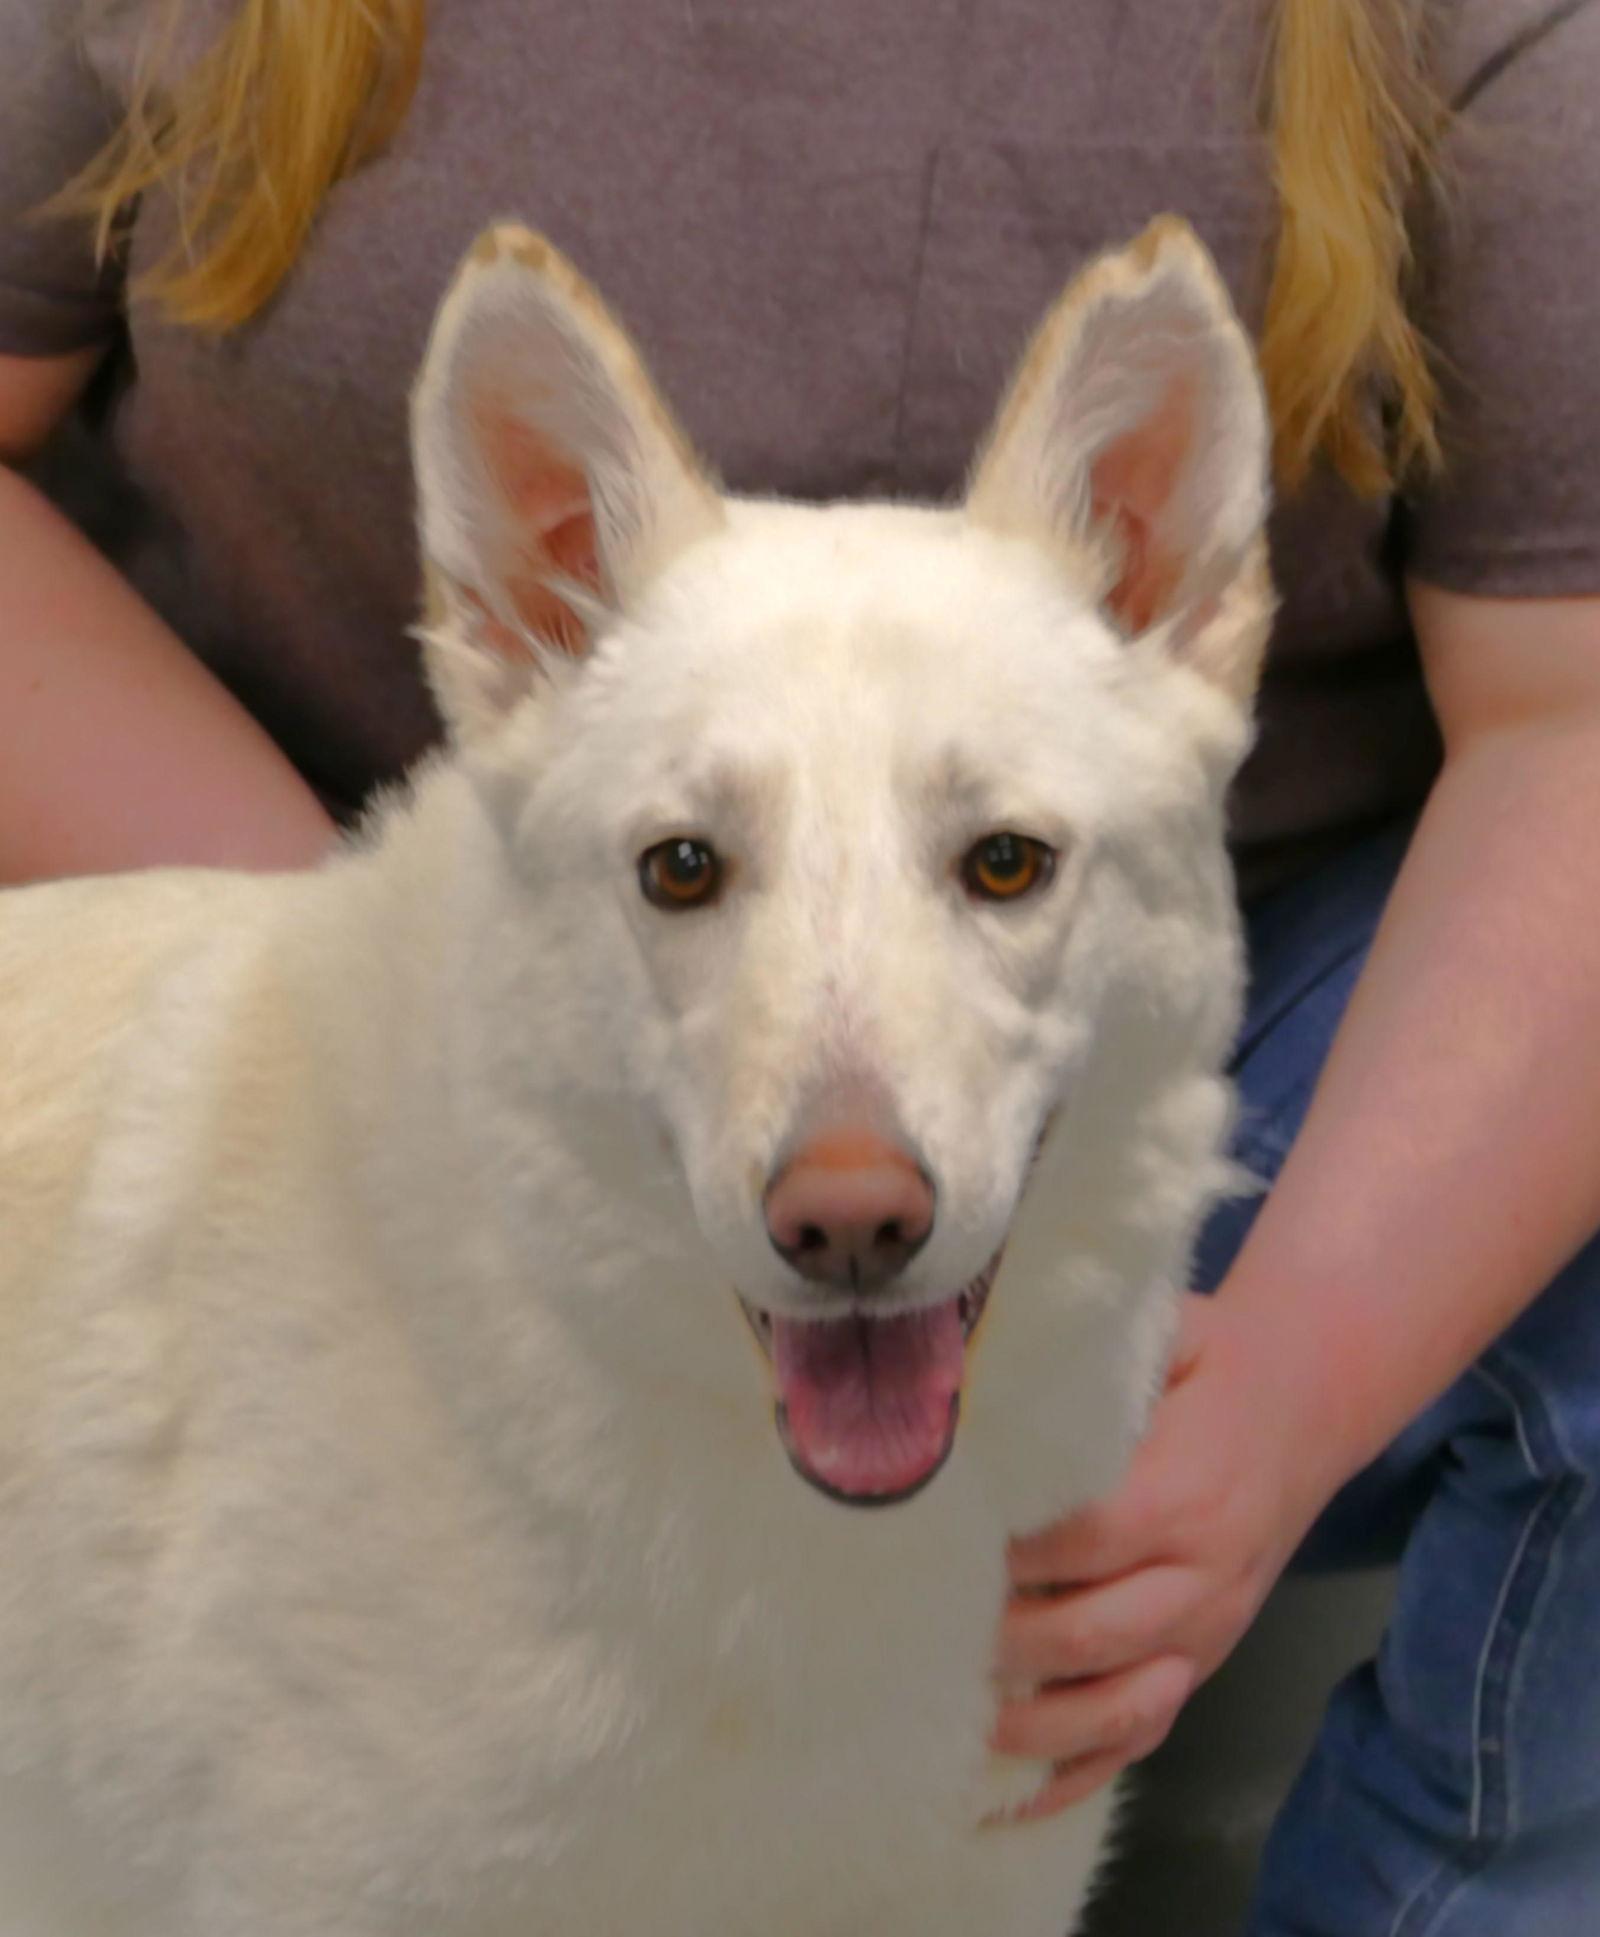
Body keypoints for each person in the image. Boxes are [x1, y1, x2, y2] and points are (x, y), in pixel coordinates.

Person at [2, 1, 1598, 1929]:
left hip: (1180, 1017)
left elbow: (1574, 721)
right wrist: (353, 989)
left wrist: (1304, 1376)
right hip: (407, 921)